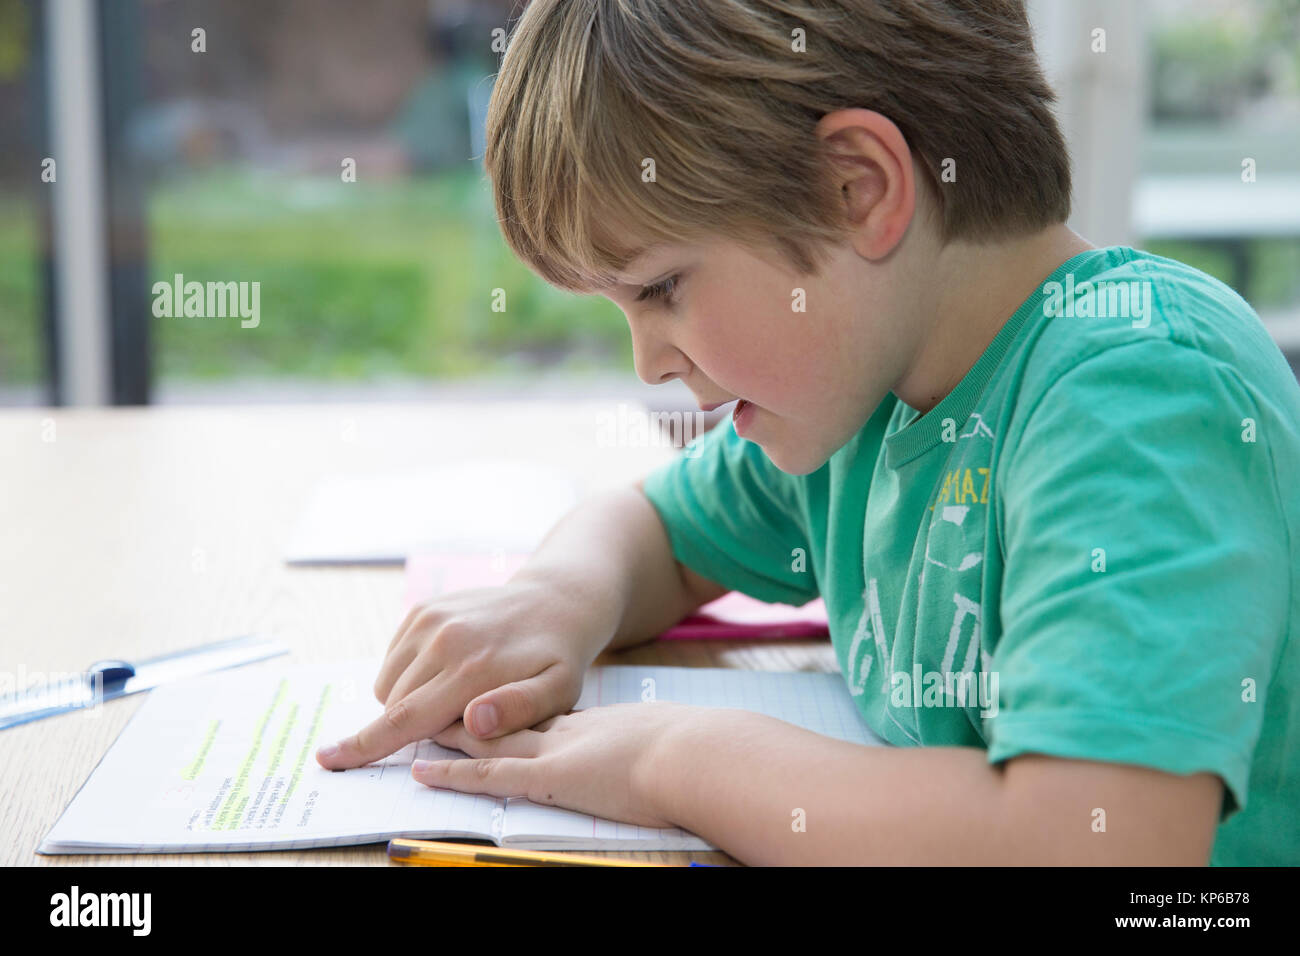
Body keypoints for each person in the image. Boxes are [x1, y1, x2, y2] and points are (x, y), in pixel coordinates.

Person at [316, 0, 1300, 865]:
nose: (649, 362)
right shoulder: (863, 385)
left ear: (856, 190)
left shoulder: (1138, 393)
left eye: (661, 287)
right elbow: (655, 528)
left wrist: (675, 758)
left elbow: (1097, 835)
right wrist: (558, 596)